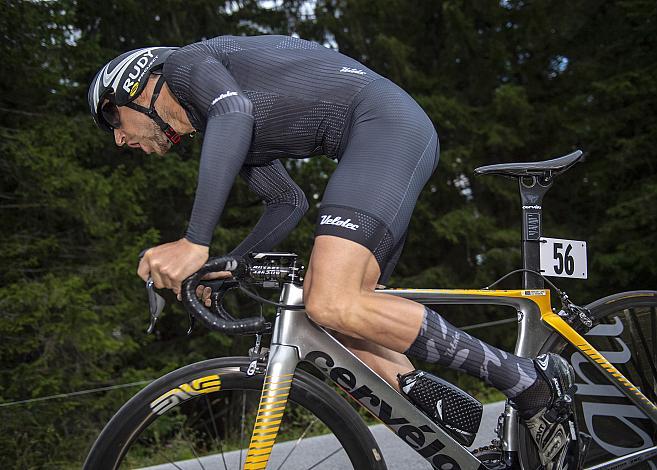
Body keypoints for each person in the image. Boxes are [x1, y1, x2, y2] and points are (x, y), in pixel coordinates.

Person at [88, 35, 578, 467]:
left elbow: (233, 111)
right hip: (379, 138)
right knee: (338, 321)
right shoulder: (224, 119)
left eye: (112, 117)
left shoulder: (185, 66)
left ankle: (529, 384)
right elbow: (287, 202)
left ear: (138, 85)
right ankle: (465, 435)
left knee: (331, 300)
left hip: (382, 127)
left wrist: (195, 242)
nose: (118, 137)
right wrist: (233, 266)